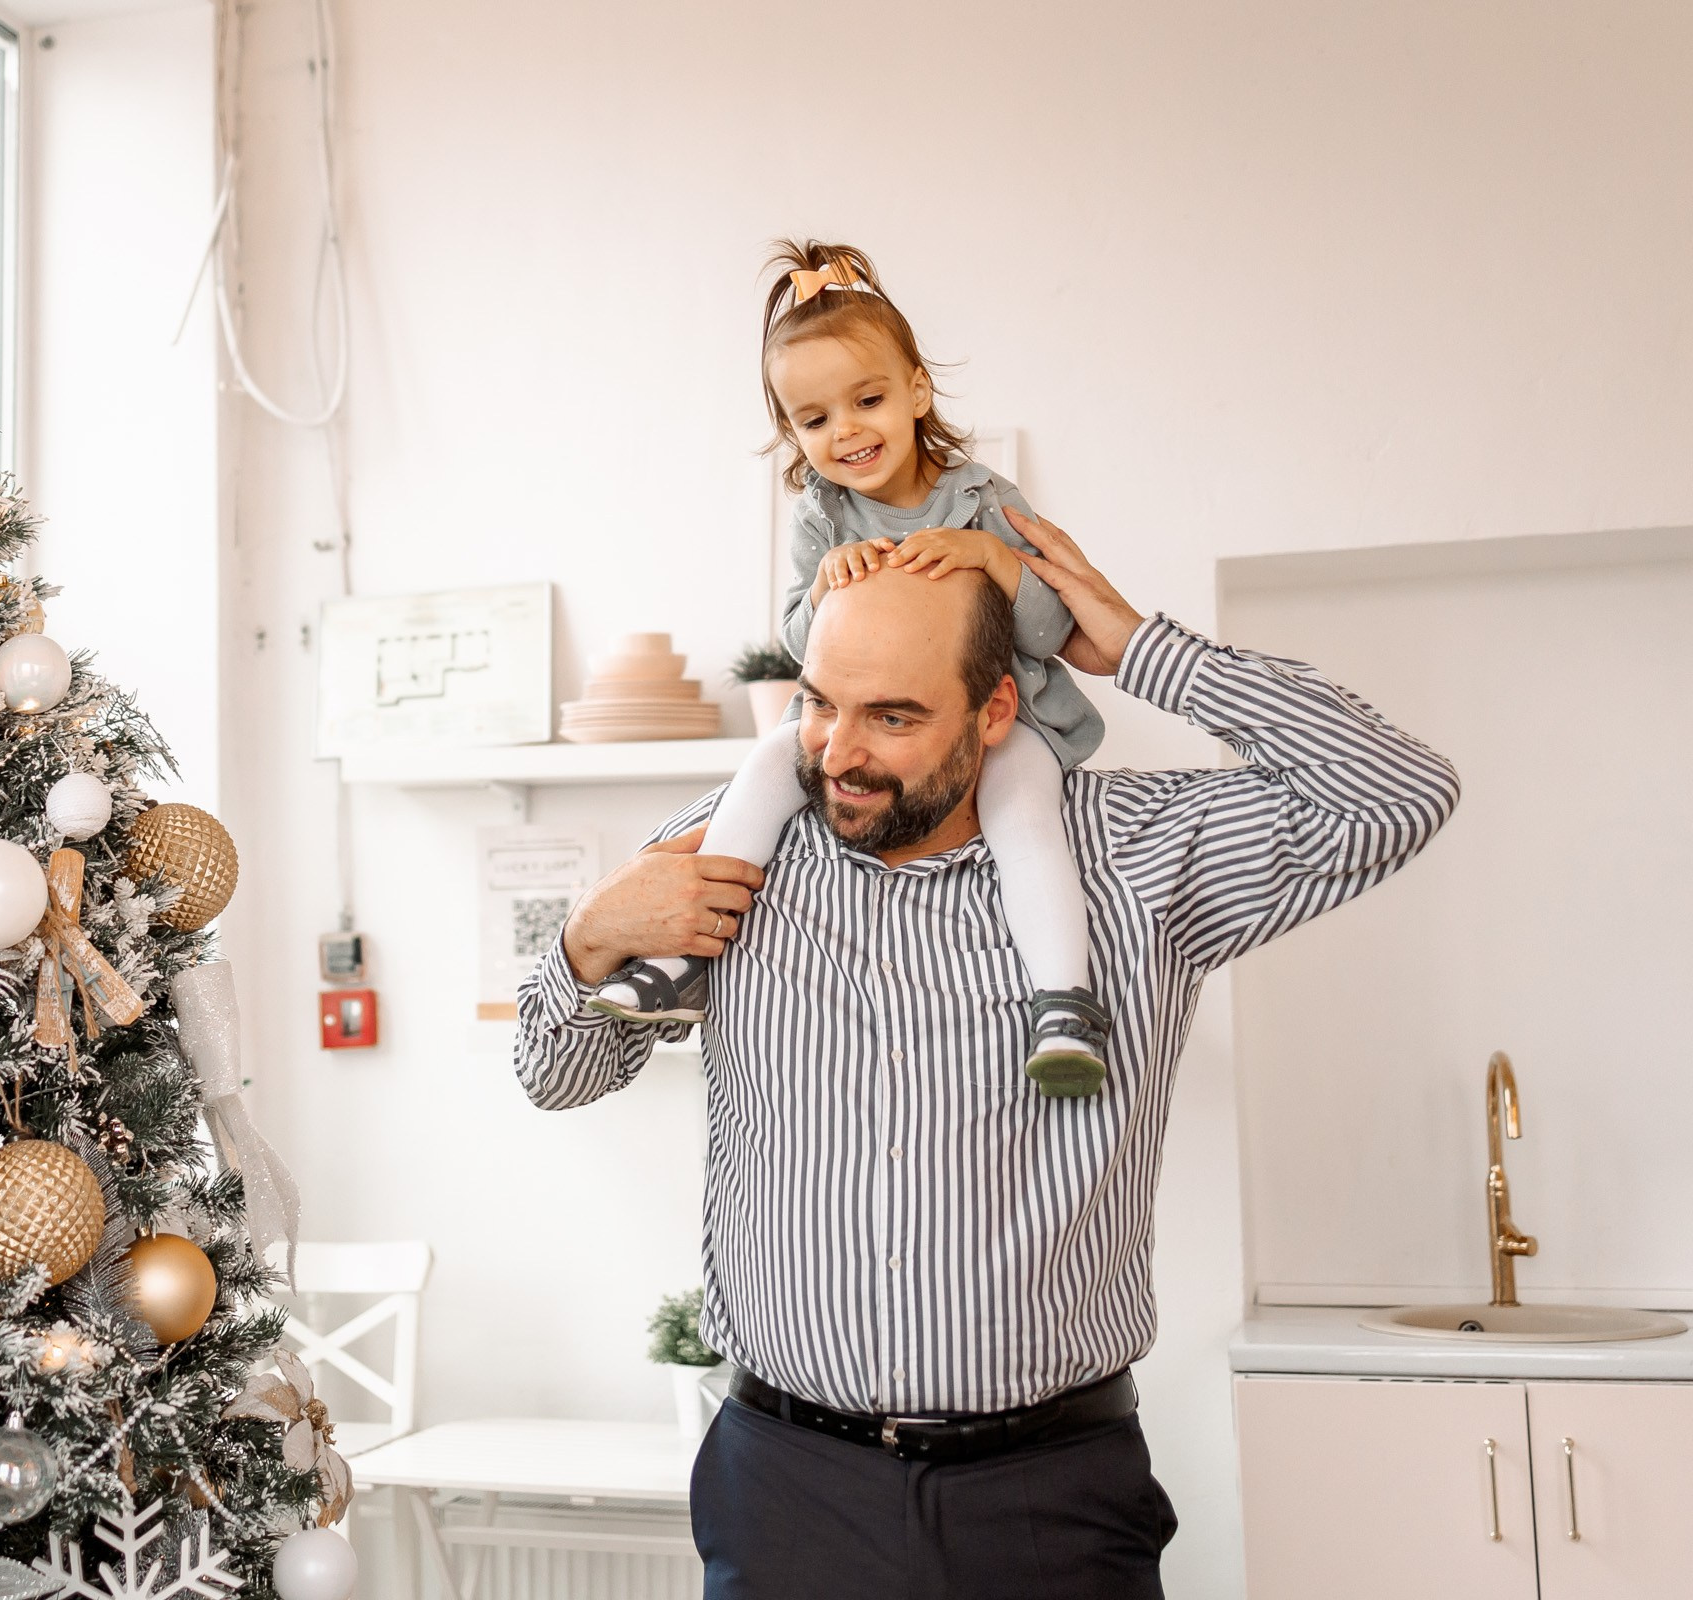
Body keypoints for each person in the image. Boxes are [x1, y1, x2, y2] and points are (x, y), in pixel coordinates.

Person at [513, 525, 1458, 1598]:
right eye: (821, 701)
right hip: (787, 1494)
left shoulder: (1139, 859)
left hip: (1046, 1501)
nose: (838, 752)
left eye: (895, 716)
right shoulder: (739, 845)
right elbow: (555, 1073)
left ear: (997, 710)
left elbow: (1398, 792)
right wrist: (589, 937)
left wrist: (1142, 647)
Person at [590, 240, 1110, 1097]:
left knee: (1026, 820)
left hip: (1002, 720)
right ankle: (682, 965)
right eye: (816, 419)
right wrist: (828, 586)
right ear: (792, 433)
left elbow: (1052, 629)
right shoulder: (819, 514)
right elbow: (799, 636)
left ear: (915, 390)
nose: (848, 432)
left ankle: (1065, 1001)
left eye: (867, 400)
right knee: (762, 770)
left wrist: (993, 557)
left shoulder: (985, 500)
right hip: (863, 719)